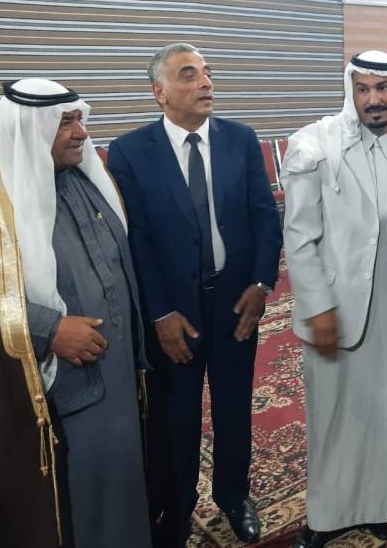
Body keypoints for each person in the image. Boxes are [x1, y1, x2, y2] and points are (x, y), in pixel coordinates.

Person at [0, 78, 151, 548]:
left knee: (122, 495)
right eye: (65, 123)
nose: (81, 133)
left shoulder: (90, 184)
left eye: (80, 119)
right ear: (29, 128)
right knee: (71, 508)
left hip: (120, 380)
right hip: (53, 396)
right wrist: (48, 329)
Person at [108, 44, 282, 547]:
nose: (206, 82)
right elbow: (136, 238)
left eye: (207, 73)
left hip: (236, 303)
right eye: (189, 75)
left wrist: (261, 284)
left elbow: (264, 216)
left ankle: (234, 495)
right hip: (175, 311)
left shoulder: (240, 139)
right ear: (159, 92)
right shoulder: (130, 151)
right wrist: (160, 312)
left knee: (234, 406)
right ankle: (176, 509)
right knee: (175, 418)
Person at [281, 51, 387, 548]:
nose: (373, 99)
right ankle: (325, 517)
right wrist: (316, 307)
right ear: (351, 93)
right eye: (362, 89)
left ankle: (384, 508)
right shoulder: (317, 143)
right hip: (336, 306)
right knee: (335, 414)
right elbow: (299, 236)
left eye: (382, 88)